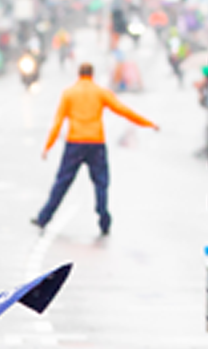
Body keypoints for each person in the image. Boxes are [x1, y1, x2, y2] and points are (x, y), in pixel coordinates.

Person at [34, 61, 160, 235]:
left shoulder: (69, 93)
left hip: (75, 143)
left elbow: (57, 122)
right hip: (96, 143)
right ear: (92, 75)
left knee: (62, 182)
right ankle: (103, 218)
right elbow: (123, 110)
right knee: (101, 183)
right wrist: (149, 123)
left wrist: (48, 146)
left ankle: (44, 217)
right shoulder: (100, 92)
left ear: (79, 74)